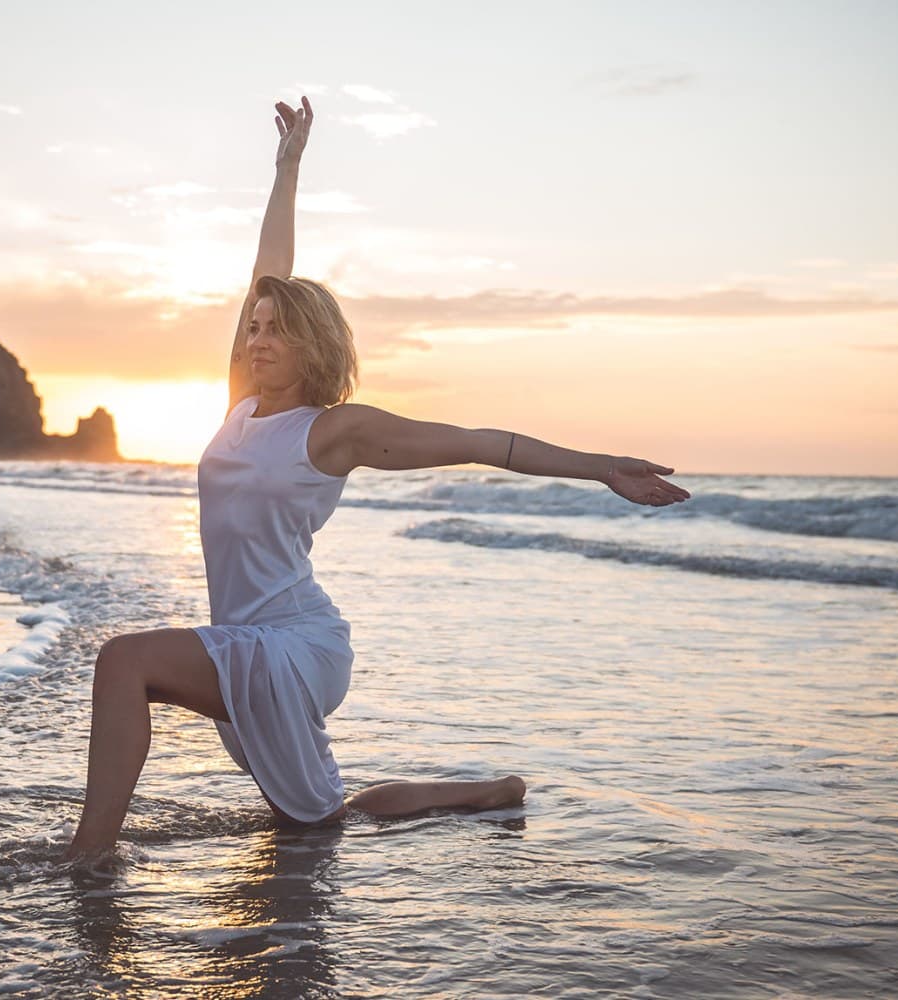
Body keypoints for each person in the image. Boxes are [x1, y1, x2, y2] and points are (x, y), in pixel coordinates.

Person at [62, 95, 691, 861]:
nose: (257, 339)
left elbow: (478, 444)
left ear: (312, 343)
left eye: (276, 330)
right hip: (246, 635)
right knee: (315, 821)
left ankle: (87, 863)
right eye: (253, 328)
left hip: (294, 643)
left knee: (124, 661)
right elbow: (267, 272)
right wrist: (287, 169)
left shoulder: (336, 430)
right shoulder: (240, 406)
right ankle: (484, 793)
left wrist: (601, 467)